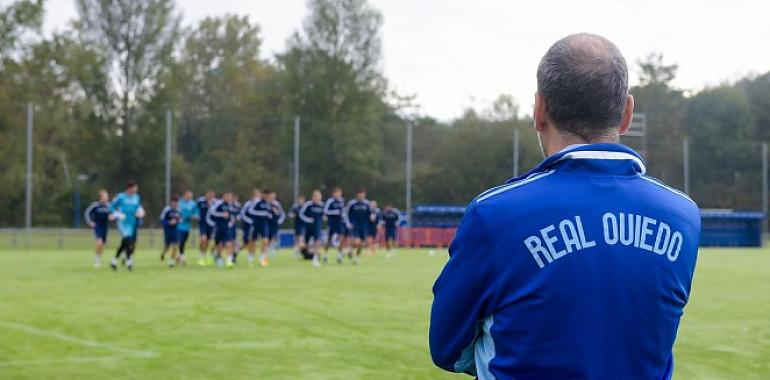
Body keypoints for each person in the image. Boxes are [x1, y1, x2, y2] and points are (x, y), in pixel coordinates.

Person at [430, 33, 700, 379]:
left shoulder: (494, 214)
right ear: (626, 113)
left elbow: (447, 348)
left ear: (539, 109)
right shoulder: (684, 216)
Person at [110, 181, 144, 271]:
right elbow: (111, 206)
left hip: (132, 222)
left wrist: (140, 212)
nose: (136, 190)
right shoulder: (120, 196)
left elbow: (138, 208)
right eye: (134, 188)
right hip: (123, 222)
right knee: (128, 240)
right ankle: (129, 261)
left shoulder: (137, 197)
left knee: (125, 242)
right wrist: (117, 214)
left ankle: (114, 260)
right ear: (129, 188)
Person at [84, 190, 114, 268]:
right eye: (104, 197)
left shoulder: (109, 206)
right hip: (98, 226)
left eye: (107, 197)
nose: (106, 198)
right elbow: (87, 213)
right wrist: (90, 222)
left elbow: (113, 214)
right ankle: (97, 259)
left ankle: (99, 257)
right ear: (100, 198)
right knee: (99, 242)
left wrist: (112, 217)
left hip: (105, 226)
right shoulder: (95, 205)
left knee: (102, 245)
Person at [208, 192, 236, 268]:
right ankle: (217, 256)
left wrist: (231, 222)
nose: (228, 198)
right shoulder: (218, 204)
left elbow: (232, 215)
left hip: (227, 228)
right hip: (218, 227)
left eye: (230, 197)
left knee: (229, 243)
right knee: (219, 245)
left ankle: (229, 260)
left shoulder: (230, 205)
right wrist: (221, 215)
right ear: (223, 196)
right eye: (227, 196)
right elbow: (212, 212)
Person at [343, 189, 371, 265]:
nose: (361, 196)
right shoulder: (352, 203)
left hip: (364, 226)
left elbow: (370, 213)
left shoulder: (367, 204)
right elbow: (346, 213)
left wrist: (372, 217)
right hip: (355, 226)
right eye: (360, 194)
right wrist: (348, 223)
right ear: (357, 195)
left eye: (362, 194)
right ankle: (350, 250)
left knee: (361, 244)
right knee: (356, 241)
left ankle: (356, 257)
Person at [245, 189, 272, 267]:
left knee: (265, 241)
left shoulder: (268, 203)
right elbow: (250, 211)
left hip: (265, 224)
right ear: (263, 195)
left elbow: (269, 213)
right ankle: (250, 256)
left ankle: (262, 258)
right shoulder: (257, 202)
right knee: (253, 242)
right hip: (256, 224)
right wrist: (262, 213)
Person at [299, 190, 325, 267]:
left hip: (317, 227)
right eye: (316, 196)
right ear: (313, 197)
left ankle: (315, 259)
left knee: (317, 243)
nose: (318, 198)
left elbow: (324, 214)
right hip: (308, 228)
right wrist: (308, 219)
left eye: (319, 197)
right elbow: (301, 214)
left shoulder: (322, 205)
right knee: (305, 245)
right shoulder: (308, 205)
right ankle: (301, 250)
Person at [323, 187, 346, 264]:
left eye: (340, 193)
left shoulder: (341, 201)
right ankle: (325, 255)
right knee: (329, 239)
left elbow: (343, 211)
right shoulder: (330, 201)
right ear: (333, 194)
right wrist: (335, 212)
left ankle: (339, 255)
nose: (339, 194)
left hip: (339, 222)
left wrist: (343, 216)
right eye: (337, 193)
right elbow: (325, 211)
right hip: (331, 223)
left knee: (342, 238)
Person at [177, 190, 198, 264]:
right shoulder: (179, 203)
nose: (189, 197)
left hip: (187, 226)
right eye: (188, 195)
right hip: (179, 226)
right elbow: (176, 212)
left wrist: (193, 217)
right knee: (180, 241)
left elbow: (196, 213)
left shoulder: (193, 204)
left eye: (190, 196)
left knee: (184, 241)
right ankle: (181, 256)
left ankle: (179, 255)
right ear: (184, 195)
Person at [159, 196, 181, 267]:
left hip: (175, 230)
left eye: (177, 203)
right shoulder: (167, 210)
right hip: (168, 230)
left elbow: (180, 219)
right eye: (174, 203)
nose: (175, 204)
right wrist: (169, 222)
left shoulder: (178, 210)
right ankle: (163, 253)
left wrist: (177, 221)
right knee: (167, 246)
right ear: (171, 202)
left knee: (175, 245)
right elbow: (162, 219)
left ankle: (171, 261)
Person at [197, 190, 216, 266]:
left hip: (211, 225)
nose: (210, 197)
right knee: (203, 239)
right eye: (209, 195)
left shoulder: (215, 203)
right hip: (203, 224)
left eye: (212, 196)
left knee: (208, 241)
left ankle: (205, 255)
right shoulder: (201, 201)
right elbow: (195, 208)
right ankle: (201, 256)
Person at [266, 190, 286, 260]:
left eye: (273, 196)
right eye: (270, 196)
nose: (272, 197)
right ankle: (266, 252)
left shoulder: (277, 204)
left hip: (275, 224)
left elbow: (283, 214)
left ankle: (272, 250)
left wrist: (279, 221)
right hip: (267, 224)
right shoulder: (266, 204)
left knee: (274, 237)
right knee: (267, 238)